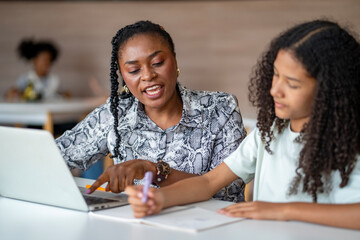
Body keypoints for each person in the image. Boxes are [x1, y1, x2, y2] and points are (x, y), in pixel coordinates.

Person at [125, 19, 360, 230]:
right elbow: (208, 182)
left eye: (292, 84)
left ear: (330, 91)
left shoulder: (350, 143)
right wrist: (161, 199)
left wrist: (281, 211)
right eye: (276, 75)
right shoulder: (270, 132)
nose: (274, 89)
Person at [57, 20, 247, 201]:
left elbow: (227, 193)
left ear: (175, 60)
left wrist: (155, 171)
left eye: (157, 62)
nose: (148, 75)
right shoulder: (116, 114)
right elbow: (55, 157)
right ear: (123, 76)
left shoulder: (220, 109)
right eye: (133, 70)